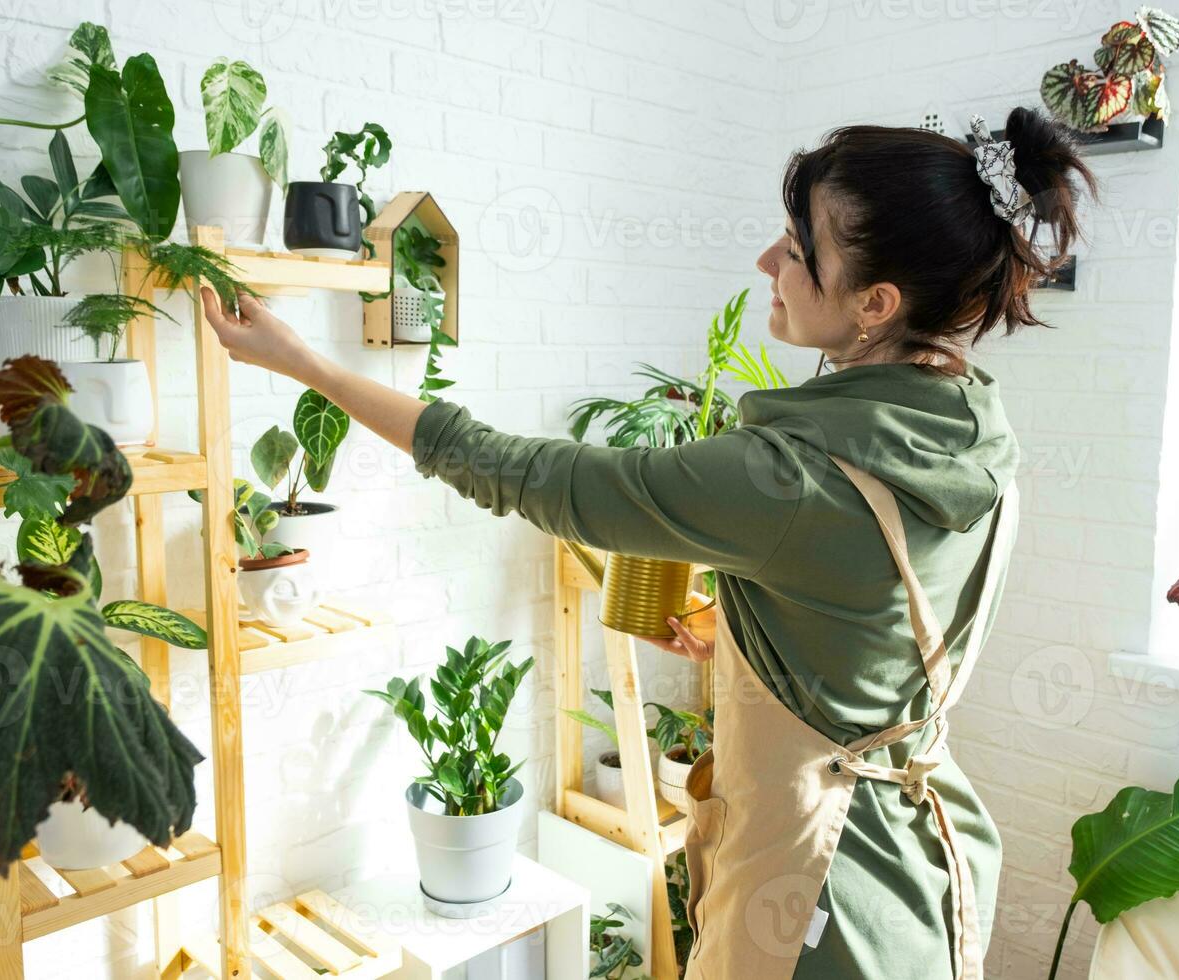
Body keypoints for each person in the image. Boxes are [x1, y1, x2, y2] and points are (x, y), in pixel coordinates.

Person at [201, 105, 1095, 979]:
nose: (766, 261)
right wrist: (761, 638)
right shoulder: (979, 432)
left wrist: (307, 364)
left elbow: (521, 472)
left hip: (822, 906)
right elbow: (896, 627)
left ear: (876, 302)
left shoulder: (788, 477)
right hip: (928, 877)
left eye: (797, 247)